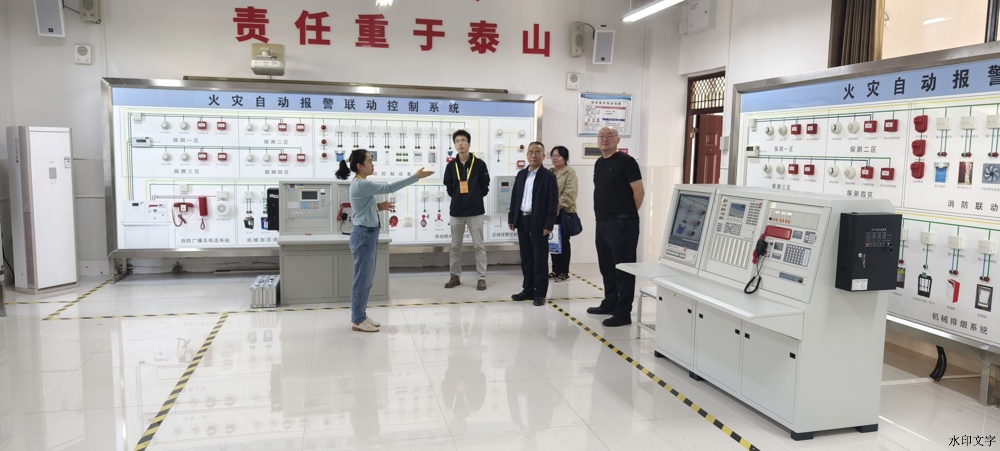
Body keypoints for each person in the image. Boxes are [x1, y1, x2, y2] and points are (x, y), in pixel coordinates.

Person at [336, 149, 434, 332]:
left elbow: (363, 209)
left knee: (366, 279)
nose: (372, 164)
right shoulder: (361, 184)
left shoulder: (360, 184)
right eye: (369, 161)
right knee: (361, 280)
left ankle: (361, 315)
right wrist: (415, 177)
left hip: (367, 234)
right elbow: (388, 188)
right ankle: (357, 320)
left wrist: (379, 207)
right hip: (364, 235)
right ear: (359, 166)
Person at [587, 127, 644, 327]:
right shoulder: (599, 163)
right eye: (601, 136)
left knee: (623, 270)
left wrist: (626, 215)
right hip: (602, 221)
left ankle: (623, 312)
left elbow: (639, 192)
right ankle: (610, 302)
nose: (605, 139)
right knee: (607, 267)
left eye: (609, 136)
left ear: (618, 140)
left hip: (622, 222)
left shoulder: (627, 162)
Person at [507, 142, 558, 306]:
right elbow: (515, 198)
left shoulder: (548, 177)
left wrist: (549, 224)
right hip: (522, 220)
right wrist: (512, 218)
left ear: (543, 156)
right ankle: (528, 290)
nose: (533, 155)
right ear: (527, 155)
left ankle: (540, 293)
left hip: (539, 222)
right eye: (531, 152)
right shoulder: (521, 174)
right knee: (526, 258)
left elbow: (553, 203)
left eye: (537, 152)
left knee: (539, 259)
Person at [442, 129, 491, 291]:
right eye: (457, 141)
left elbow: (485, 187)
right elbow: (449, 188)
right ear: (454, 145)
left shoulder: (479, 164)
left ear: (469, 144)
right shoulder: (451, 166)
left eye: (463, 140)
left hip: (475, 211)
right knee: (455, 246)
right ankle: (455, 276)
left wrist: (473, 197)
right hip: (456, 211)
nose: (460, 144)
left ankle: (481, 278)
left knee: (479, 246)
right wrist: (459, 198)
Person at [548, 145, 578, 283]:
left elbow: (570, 194)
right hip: (551, 213)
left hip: (564, 213)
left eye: (558, 155)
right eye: (553, 155)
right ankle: (555, 270)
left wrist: (557, 206)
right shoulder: (550, 172)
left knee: (564, 243)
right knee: (553, 242)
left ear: (565, 157)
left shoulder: (569, 173)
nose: (555, 158)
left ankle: (564, 272)